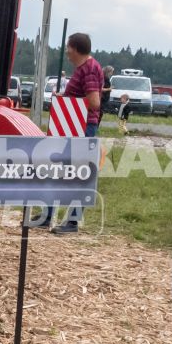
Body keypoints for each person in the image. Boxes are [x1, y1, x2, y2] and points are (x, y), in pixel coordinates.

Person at [51, 33, 105, 234]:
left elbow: (93, 103)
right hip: (75, 127)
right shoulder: (84, 68)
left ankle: (72, 222)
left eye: (68, 47)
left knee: (80, 174)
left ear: (75, 48)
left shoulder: (89, 69)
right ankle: (52, 215)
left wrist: (67, 102)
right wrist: (64, 98)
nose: (66, 51)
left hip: (82, 127)